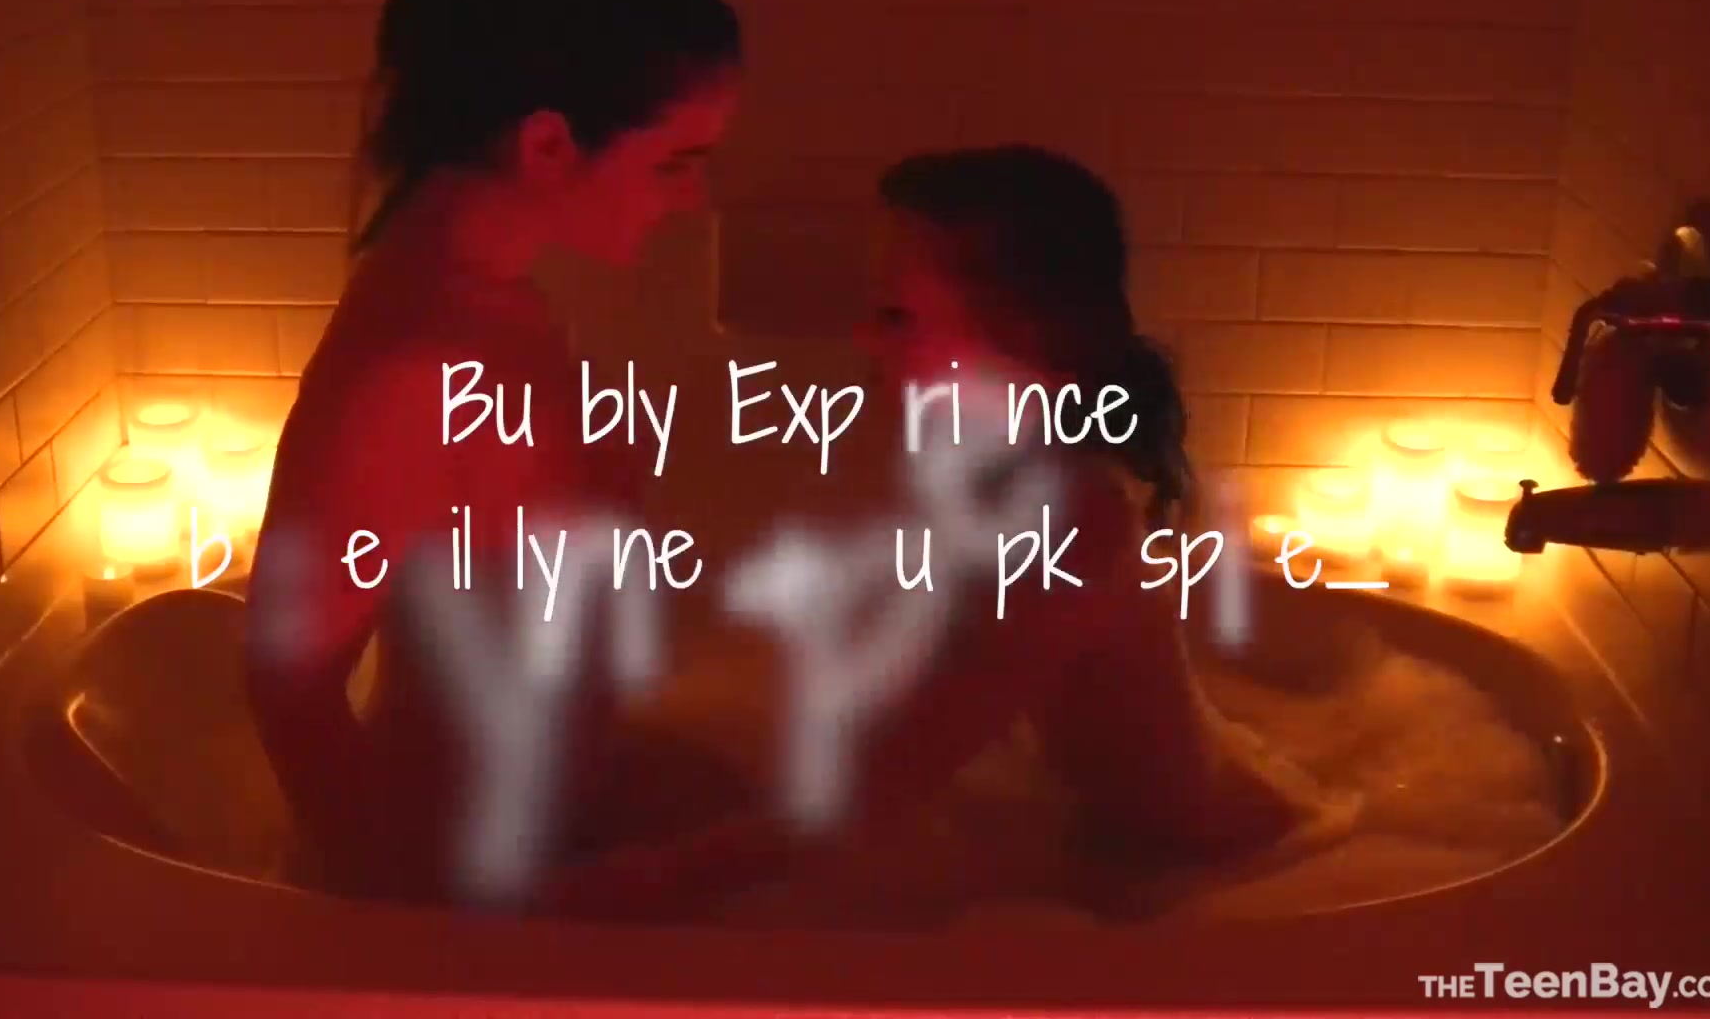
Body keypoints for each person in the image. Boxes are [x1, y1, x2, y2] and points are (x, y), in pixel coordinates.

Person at [541, 146, 1333, 921]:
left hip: (1227, 859)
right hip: (1149, 838)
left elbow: (881, 785)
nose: (865, 339)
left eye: (898, 315)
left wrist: (655, 880)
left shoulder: (1071, 523)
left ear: (1021, 335)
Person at [245, 0, 745, 903]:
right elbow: (289, 688)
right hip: (455, 885)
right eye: (677, 162)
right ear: (549, 146)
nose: (694, 198)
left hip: (548, 830)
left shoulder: (495, 298)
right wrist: (430, 938)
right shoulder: (414, 363)